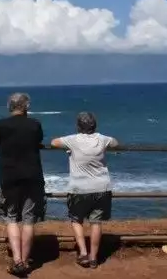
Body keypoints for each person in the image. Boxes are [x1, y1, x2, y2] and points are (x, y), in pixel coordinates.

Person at [51, 112, 119, 269]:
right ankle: (94, 258)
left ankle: (83, 253)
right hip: (102, 187)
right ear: (94, 126)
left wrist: (69, 149)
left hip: (79, 188)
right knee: (96, 223)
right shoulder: (102, 139)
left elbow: (54, 142)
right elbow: (115, 143)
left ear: (78, 126)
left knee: (76, 220)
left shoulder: (73, 140)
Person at [0, 92, 46, 276]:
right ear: (27, 106)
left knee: (12, 217)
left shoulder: (1, 124)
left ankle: (17, 261)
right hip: (32, 175)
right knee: (29, 219)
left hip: (9, 176)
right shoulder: (35, 124)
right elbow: (39, 140)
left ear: (10, 106)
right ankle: (25, 260)